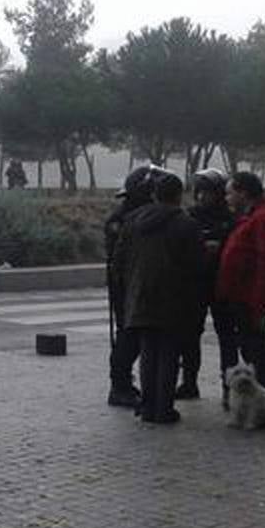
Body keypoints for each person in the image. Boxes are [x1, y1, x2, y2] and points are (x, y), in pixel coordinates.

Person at [113, 171, 204, 424]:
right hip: (174, 299)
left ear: (154, 194)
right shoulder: (187, 224)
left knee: (148, 351)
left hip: (139, 296)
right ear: (179, 195)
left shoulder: (131, 220)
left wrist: (128, 290)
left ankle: (147, 406)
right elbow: (197, 267)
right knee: (169, 354)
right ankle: (163, 409)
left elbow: (118, 261)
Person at [176, 168, 237, 400]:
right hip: (195, 284)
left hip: (222, 284)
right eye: (199, 192)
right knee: (190, 335)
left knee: (227, 337)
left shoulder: (230, 219)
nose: (202, 197)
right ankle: (189, 382)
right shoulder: (189, 216)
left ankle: (228, 387)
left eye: (208, 192)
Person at [216, 170, 265, 400]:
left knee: (260, 354)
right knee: (253, 351)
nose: (226, 198)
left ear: (243, 193)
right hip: (242, 299)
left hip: (252, 302)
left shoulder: (263, 219)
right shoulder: (252, 217)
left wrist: (260, 306)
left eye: (229, 193)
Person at [105, 166, 158, 408]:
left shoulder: (132, 216)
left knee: (131, 335)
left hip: (133, 284)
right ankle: (120, 386)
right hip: (126, 286)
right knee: (128, 336)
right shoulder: (123, 220)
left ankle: (123, 384)